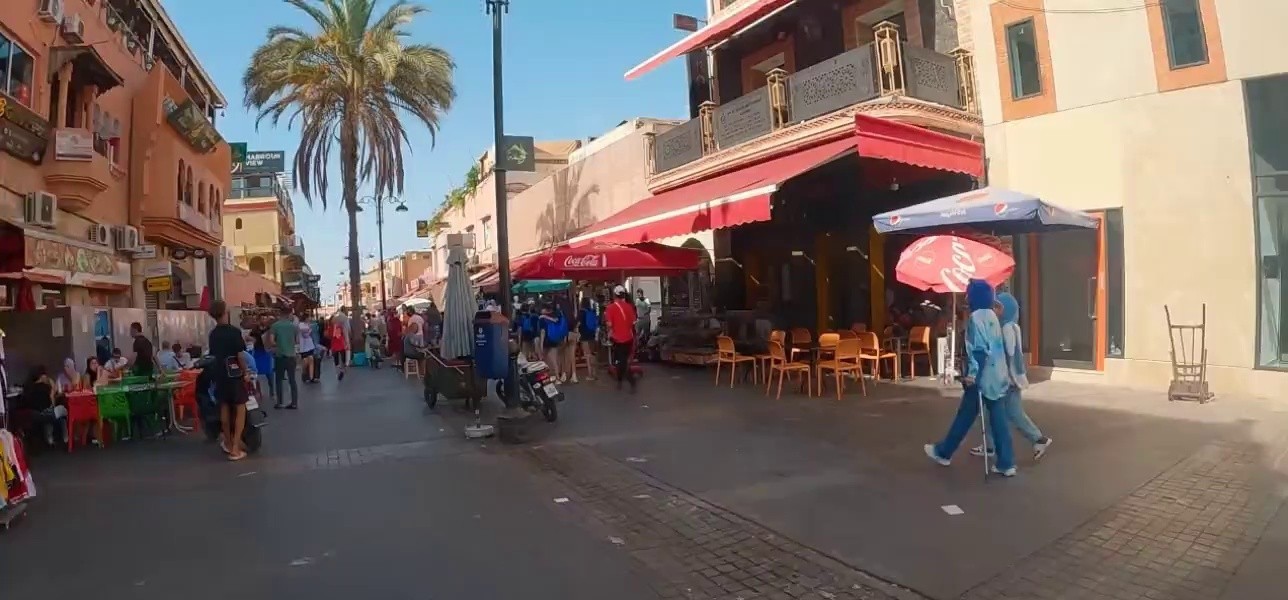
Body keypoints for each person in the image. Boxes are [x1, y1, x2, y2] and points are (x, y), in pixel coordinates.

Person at [924, 279, 1017, 477]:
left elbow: (979, 351)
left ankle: (944, 452)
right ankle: (1006, 462)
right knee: (998, 420)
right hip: (998, 376)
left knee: (965, 415)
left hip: (982, 377)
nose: (966, 298)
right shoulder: (992, 316)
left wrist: (972, 376)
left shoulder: (976, 318)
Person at [970, 292, 1053, 461]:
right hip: (1009, 379)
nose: (994, 310)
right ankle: (994, 445)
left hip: (1007, 380)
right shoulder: (1009, 327)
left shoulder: (1007, 329)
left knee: (1005, 413)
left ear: (1007, 310)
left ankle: (1036, 440)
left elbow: (1007, 355)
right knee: (1002, 412)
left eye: (998, 307)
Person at [208, 300, 252, 461]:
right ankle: (235, 447)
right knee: (240, 408)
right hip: (234, 374)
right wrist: (246, 372)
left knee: (224, 407)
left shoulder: (213, 334)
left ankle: (227, 441)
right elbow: (240, 355)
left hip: (220, 374)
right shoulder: (234, 332)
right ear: (225, 312)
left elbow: (213, 354)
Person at [605, 285, 638, 392]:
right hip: (629, 338)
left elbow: (609, 324)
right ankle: (620, 381)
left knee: (621, 362)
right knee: (623, 360)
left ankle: (630, 380)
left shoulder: (610, 308)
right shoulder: (629, 307)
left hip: (617, 339)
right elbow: (633, 322)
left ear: (614, 295)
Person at [268, 306, 300, 410]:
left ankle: (280, 402)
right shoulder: (294, 326)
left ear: (280, 313)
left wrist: (279, 344)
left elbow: (271, 341)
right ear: (289, 314)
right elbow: (297, 341)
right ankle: (294, 402)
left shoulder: (275, 326)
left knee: (279, 380)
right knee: (292, 380)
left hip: (280, 356)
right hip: (291, 356)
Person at [538, 303, 568, 383]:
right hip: (554, 340)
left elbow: (542, 332)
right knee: (554, 361)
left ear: (544, 309)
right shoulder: (554, 317)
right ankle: (558, 378)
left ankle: (545, 378)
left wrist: (541, 346)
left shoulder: (542, 319)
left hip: (546, 341)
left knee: (543, 360)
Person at [249, 315, 276, 400]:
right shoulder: (255, 330)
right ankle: (258, 391)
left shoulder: (269, 329)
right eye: (262, 319)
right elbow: (251, 338)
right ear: (259, 320)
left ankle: (272, 390)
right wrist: (250, 339)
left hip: (266, 352)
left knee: (269, 372)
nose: (264, 320)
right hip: (258, 351)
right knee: (255, 372)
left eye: (265, 318)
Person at [577, 296, 599, 381]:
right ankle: (595, 373)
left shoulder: (581, 312)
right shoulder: (592, 311)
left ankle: (590, 375)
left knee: (587, 355)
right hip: (592, 334)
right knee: (592, 354)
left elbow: (578, 323)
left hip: (584, 335)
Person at [330, 311, 350, 381]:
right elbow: (345, 335)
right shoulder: (342, 326)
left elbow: (332, 336)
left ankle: (339, 371)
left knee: (336, 359)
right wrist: (347, 344)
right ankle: (342, 370)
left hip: (335, 344)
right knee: (342, 358)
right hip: (341, 344)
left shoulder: (333, 326)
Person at [297, 312, 317, 383]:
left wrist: (309, 328)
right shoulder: (301, 325)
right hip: (303, 346)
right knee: (305, 361)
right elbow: (305, 334)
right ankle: (304, 373)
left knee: (311, 359)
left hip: (310, 345)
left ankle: (311, 377)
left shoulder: (309, 325)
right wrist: (309, 329)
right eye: (309, 317)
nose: (310, 319)